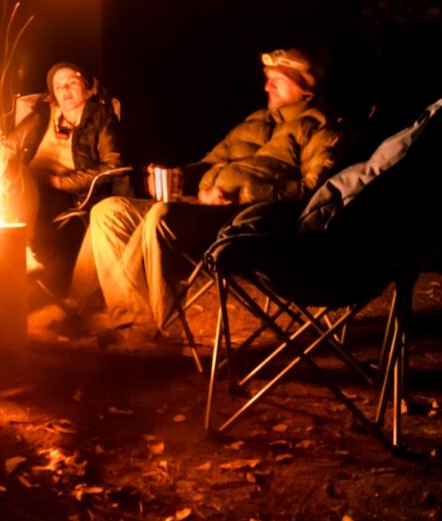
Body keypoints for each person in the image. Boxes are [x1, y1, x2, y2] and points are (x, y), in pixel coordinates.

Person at [69, 47, 344, 332]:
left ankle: (155, 326)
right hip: (200, 206)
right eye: (267, 78)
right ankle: (121, 315)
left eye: (277, 79)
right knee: (108, 210)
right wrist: (179, 175)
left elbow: (312, 192)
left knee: (161, 216)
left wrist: (239, 195)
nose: (267, 86)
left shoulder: (323, 127)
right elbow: (211, 161)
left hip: (243, 220)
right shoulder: (256, 119)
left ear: (305, 85)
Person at [5, 61, 131, 277]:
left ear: (86, 87)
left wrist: (59, 182)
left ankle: (21, 249)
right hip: (26, 185)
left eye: (71, 82)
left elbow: (114, 165)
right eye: (58, 85)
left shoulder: (101, 117)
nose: (64, 89)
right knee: (8, 169)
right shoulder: (44, 114)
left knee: (16, 181)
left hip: (71, 193)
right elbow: (9, 145)